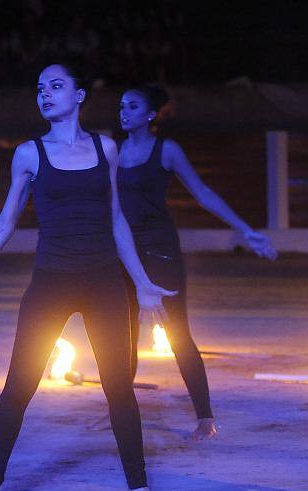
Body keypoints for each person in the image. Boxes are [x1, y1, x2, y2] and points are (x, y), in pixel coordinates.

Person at [0, 63, 176, 491]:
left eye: (56, 86)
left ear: (80, 95)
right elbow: (5, 222)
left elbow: (117, 219)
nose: (45, 94)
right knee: (18, 386)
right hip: (51, 280)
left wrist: (142, 283)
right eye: (40, 88)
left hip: (104, 280)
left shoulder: (106, 148)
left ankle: (139, 488)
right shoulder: (29, 154)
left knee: (119, 389)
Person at [117, 85, 277, 440]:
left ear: (150, 114)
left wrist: (245, 230)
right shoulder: (113, 152)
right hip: (124, 253)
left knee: (177, 334)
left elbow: (203, 193)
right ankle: (121, 411)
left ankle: (205, 418)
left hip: (161, 252)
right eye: (121, 106)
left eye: (132, 106)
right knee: (122, 335)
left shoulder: (167, 150)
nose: (124, 112)